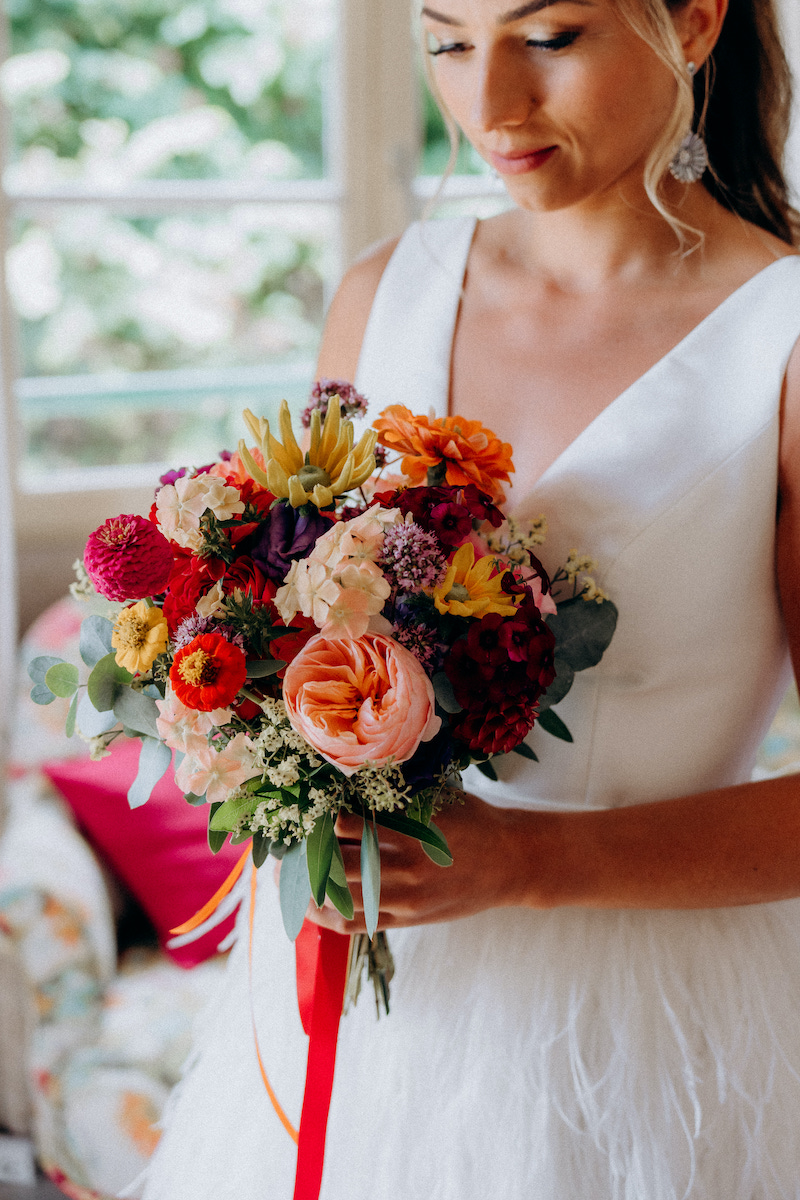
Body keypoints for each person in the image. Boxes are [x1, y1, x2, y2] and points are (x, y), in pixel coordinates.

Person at [127, 0, 800, 1195]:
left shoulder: (781, 335)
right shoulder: (382, 291)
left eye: (547, 38)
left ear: (693, 21)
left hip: (644, 1039)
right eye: (444, 41)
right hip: (372, 1019)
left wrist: (530, 865)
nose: (487, 105)